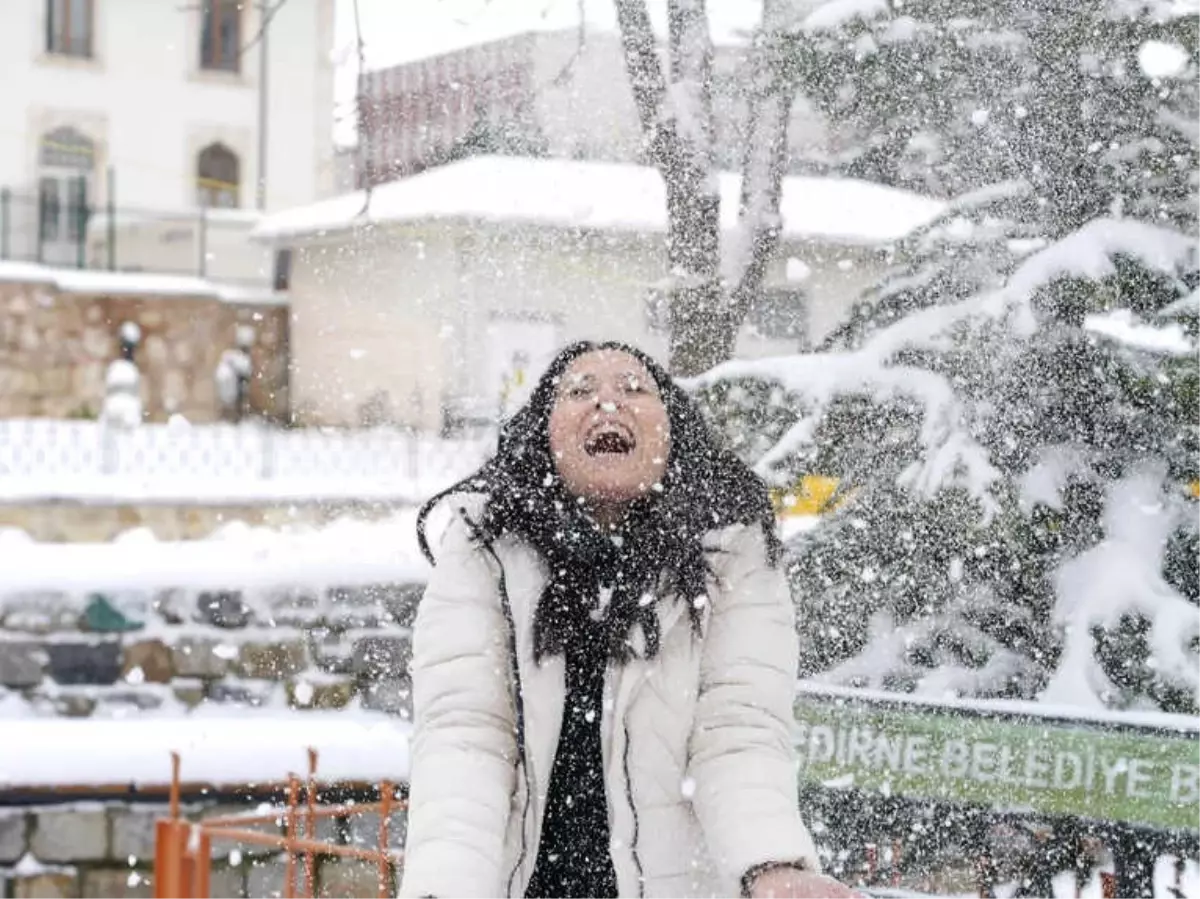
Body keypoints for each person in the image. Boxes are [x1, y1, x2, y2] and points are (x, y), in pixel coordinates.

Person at [401, 340, 855, 899]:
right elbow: (464, 734)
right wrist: (445, 885)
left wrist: (771, 864)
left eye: (635, 389)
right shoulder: (483, 546)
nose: (608, 404)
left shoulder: (733, 550)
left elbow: (739, 731)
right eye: (579, 390)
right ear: (544, 432)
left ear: (674, 430)